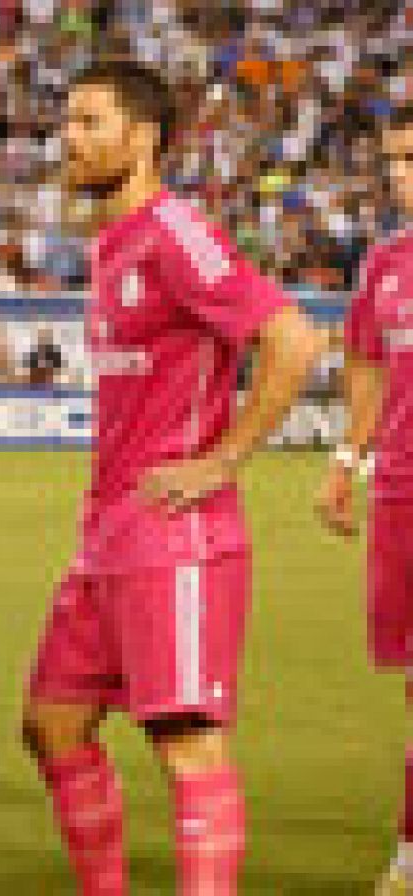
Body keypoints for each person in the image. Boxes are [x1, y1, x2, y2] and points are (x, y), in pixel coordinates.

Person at [22, 60, 322, 895]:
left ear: (143, 138)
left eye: (88, 123)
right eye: (67, 121)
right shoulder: (112, 240)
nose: (67, 140)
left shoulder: (177, 231)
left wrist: (225, 457)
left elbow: (295, 340)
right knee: (53, 724)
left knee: (184, 740)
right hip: (108, 534)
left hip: (175, 538)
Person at [316, 103, 413, 896]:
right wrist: (347, 459)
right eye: (394, 162)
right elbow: (368, 366)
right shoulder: (385, 264)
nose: (402, 177)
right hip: (401, 493)